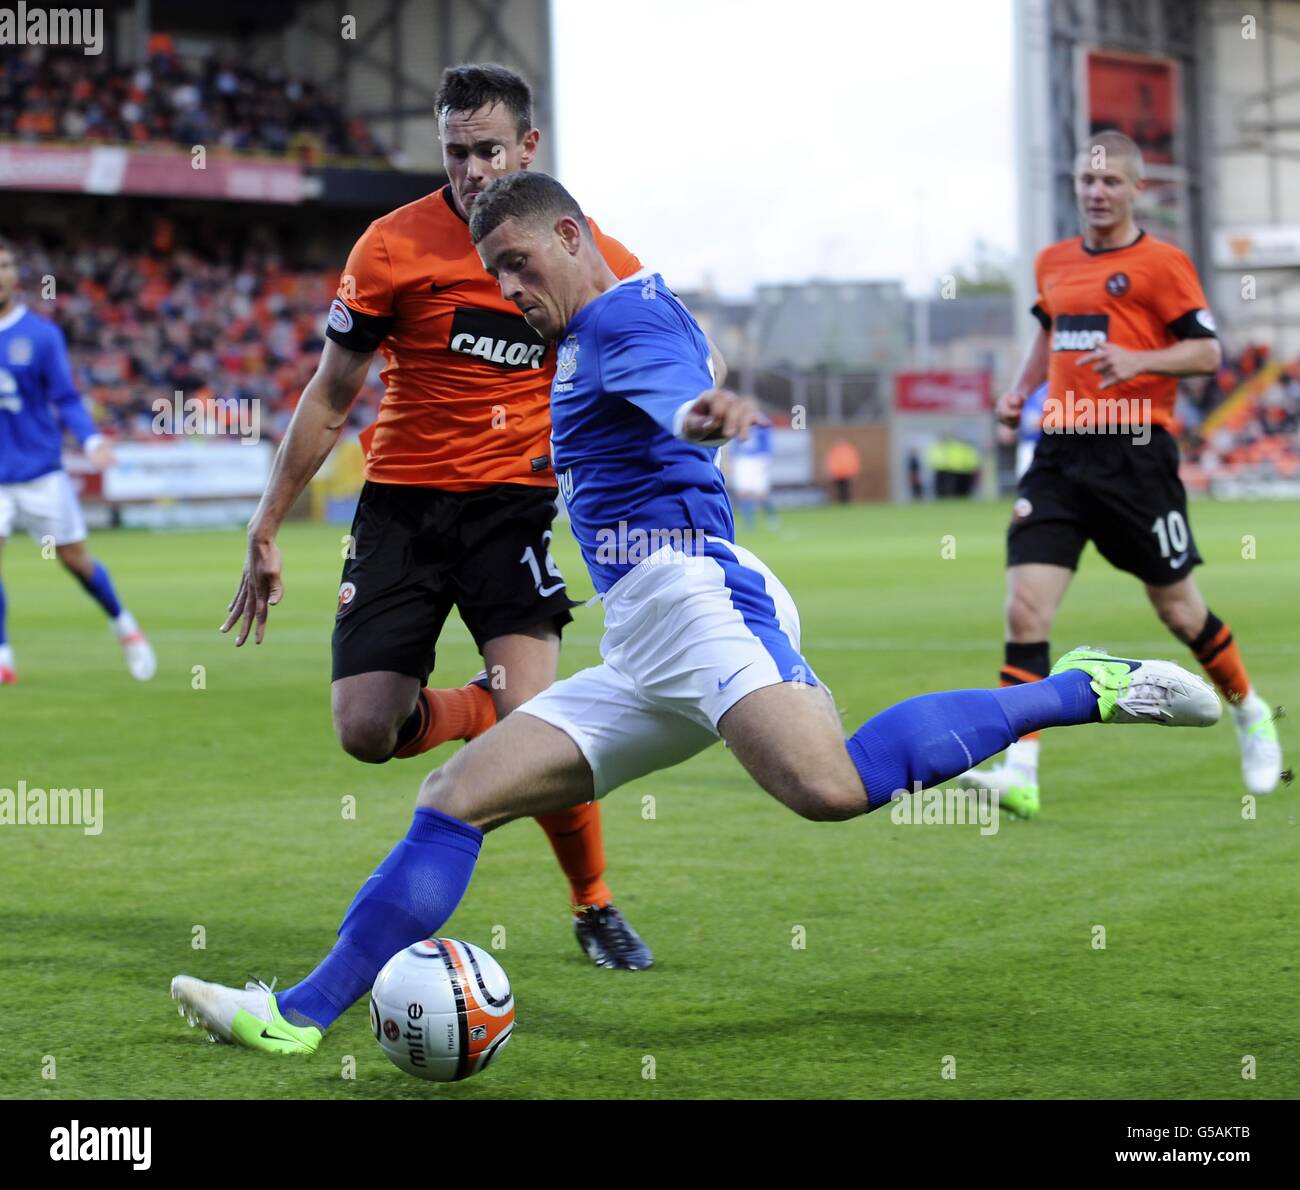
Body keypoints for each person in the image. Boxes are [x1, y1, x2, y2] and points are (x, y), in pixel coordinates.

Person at [172, 171, 1223, 1055]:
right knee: (454, 796)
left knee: (829, 783)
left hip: (700, 596)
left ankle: (1081, 685)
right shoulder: (586, 331)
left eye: (520, 264)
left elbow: (669, 391)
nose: (507, 287)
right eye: (492, 272)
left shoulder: (624, 316)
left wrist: (697, 413)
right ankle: (299, 1015)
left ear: (572, 237)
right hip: (639, 637)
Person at [219, 64, 653, 970]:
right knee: (365, 731)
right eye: (456, 152)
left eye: (489, 151)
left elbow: (647, 361)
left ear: (528, 147)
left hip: (515, 509)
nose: (472, 172)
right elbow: (332, 393)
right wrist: (266, 524)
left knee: (543, 733)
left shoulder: (585, 249)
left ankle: (595, 903)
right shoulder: (391, 246)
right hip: (403, 510)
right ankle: (482, 708)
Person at [962, 130, 1283, 818]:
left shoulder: (1164, 265)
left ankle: (1249, 710)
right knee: (1025, 609)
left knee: (1179, 611)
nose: (1097, 191)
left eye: (1111, 181)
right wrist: (1020, 393)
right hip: (1060, 454)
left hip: (1136, 458)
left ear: (1138, 189)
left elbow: (1204, 353)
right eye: (1087, 180)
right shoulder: (1053, 261)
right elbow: (1048, 336)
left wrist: (1140, 363)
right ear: (1075, 186)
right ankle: (1021, 772)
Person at [0, 237, 155, 686]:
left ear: (15, 276)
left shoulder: (41, 335)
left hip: (40, 471)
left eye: (6, 264)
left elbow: (65, 398)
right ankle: (4, 654)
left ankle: (124, 626)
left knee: (74, 558)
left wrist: (90, 442)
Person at [727, 415, 777, 528]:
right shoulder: (737, 421)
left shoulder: (762, 422)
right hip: (742, 460)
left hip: (758, 459)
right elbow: (734, 442)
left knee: (761, 494)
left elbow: (767, 440)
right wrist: (732, 459)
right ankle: (749, 523)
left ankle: (771, 517)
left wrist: (767, 457)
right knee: (743, 493)